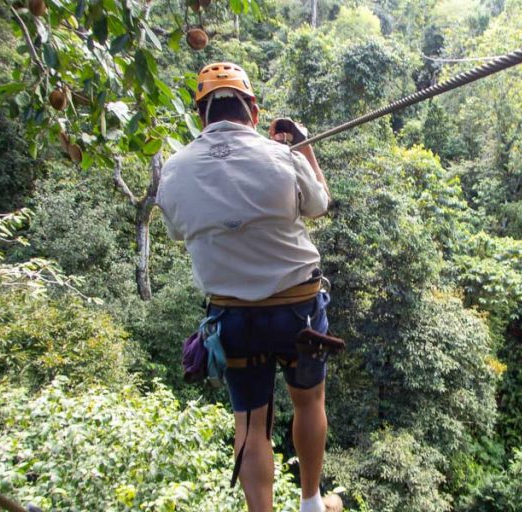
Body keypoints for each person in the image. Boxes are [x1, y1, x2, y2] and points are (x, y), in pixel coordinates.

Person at [156, 62, 342, 512]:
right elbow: (320, 204)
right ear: (253, 111)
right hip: (298, 309)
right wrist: (300, 147)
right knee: (309, 400)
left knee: (251, 424)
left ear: (201, 114)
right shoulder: (283, 157)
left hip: (234, 317)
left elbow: (178, 232)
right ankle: (312, 501)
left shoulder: (175, 171)